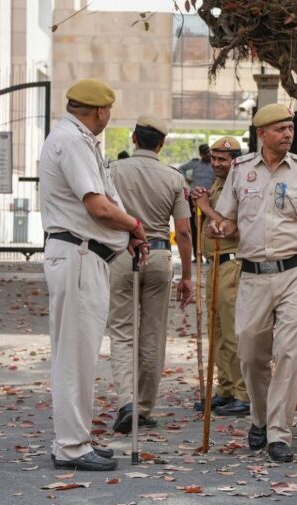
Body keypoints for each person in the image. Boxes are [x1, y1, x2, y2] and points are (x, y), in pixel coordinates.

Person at [210, 103, 297, 463]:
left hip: (295, 272)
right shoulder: (240, 169)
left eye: (290, 128)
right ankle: (261, 418)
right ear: (262, 134)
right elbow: (231, 222)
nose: (288, 134)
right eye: (280, 129)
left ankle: (280, 433)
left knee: (289, 353)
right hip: (251, 274)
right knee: (250, 353)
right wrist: (218, 226)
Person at [39, 78, 148, 472]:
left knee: (81, 355)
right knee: (74, 356)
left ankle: (77, 438)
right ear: (100, 111)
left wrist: (126, 235)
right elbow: (98, 206)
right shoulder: (72, 142)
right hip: (78, 255)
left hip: (87, 255)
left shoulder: (78, 140)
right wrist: (135, 225)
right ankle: (70, 446)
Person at [107, 114, 193, 434]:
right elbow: (183, 231)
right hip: (159, 255)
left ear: (133, 138)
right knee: (153, 334)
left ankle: (126, 401)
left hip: (122, 253)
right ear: (162, 143)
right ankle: (143, 407)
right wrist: (188, 275)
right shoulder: (173, 178)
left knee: (122, 331)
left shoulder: (113, 171)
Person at [191, 136, 250, 416]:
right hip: (214, 263)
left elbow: (233, 228)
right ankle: (225, 389)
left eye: (222, 159)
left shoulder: (241, 186)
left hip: (233, 264)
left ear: (235, 161)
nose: (216, 163)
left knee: (232, 332)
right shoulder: (218, 185)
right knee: (216, 331)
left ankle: (242, 392)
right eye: (213, 158)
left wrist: (204, 206)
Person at [180, 144, 214, 262]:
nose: (207, 155)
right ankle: (197, 255)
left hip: (210, 199)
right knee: (195, 228)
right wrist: (187, 180)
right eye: (204, 153)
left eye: (208, 152)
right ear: (200, 154)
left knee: (211, 225)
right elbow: (181, 169)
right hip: (194, 199)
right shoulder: (195, 163)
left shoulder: (214, 164)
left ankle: (210, 254)